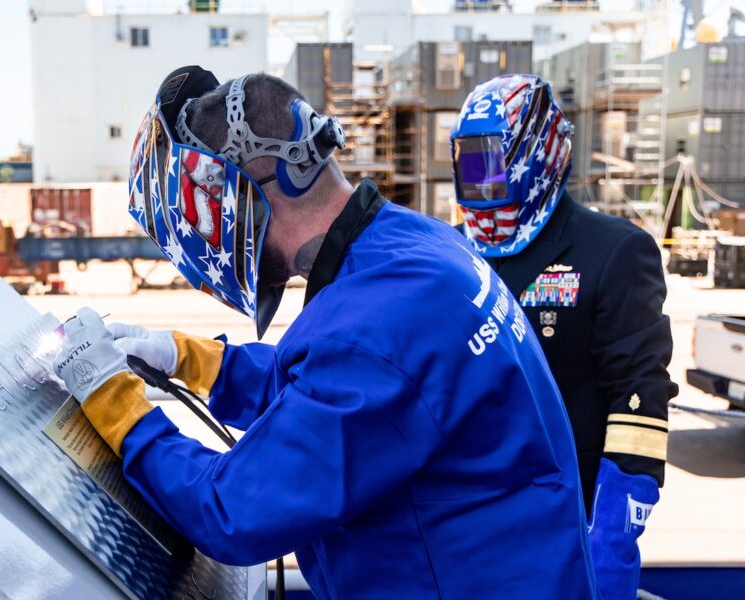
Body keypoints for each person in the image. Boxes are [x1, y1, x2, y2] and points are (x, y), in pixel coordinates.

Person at [53, 67, 597, 598]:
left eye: (206, 207)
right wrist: (190, 359)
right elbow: (343, 396)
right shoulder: (409, 244)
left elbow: (233, 511)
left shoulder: (375, 327)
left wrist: (116, 404)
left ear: (245, 190)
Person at [450, 74, 678, 600]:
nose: (479, 182)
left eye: (491, 162)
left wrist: (613, 534)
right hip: (462, 530)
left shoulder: (614, 252)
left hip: (560, 537)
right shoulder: (448, 252)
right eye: (469, 163)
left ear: (537, 155)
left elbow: (639, 400)